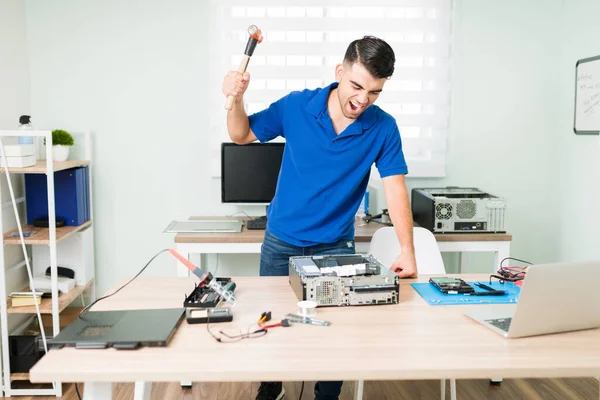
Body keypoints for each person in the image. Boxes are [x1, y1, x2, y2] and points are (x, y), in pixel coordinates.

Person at [222, 36, 418, 400]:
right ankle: (272, 385)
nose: (362, 100)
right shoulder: (297, 106)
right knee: (273, 319)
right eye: (357, 86)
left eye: (374, 92)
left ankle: (326, 395)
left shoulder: (383, 127)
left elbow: (395, 189)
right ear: (339, 72)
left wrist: (407, 249)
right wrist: (235, 100)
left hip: (336, 244)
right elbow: (241, 132)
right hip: (281, 240)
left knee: (337, 332)